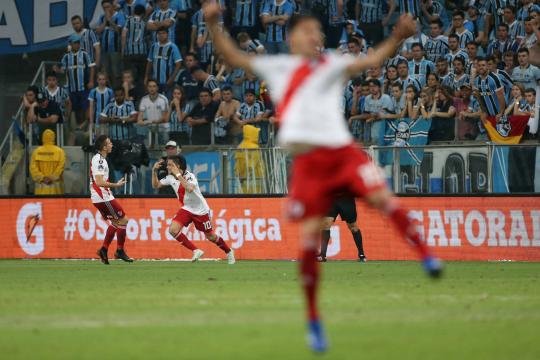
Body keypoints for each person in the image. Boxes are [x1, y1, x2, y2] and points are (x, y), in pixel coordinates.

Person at [205, 4, 442, 353]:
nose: (315, 36)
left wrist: (397, 36)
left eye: (318, 31)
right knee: (309, 239)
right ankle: (314, 320)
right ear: (292, 37)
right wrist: (212, 22)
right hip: (308, 163)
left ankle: (426, 255)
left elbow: (372, 59)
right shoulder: (279, 66)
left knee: (383, 199)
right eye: (307, 31)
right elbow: (232, 55)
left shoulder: (332, 62)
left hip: (343, 153)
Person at [151, 155, 236, 264]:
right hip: (187, 208)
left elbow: (190, 188)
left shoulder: (190, 176)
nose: (167, 167)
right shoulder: (170, 177)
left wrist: (178, 174)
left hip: (201, 210)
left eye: (170, 165)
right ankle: (196, 250)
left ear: (177, 166)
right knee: (173, 230)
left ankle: (229, 252)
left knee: (210, 236)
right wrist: (154, 171)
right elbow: (156, 185)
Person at [91, 135, 133, 264]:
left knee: (116, 222)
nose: (111, 145)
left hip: (102, 196)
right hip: (103, 196)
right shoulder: (99, 160)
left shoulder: (101, 159)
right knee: (123, 220)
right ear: (104, 147)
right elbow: (98, 182)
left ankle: (104, 249)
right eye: (109, 143)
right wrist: (116, 185)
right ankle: (119, 250)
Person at [54, 34, 95, 141]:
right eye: (74, 42)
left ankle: (87, 127)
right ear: (70, 44)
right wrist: (57, 70)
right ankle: (76, 128)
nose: (76, 44)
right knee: (75, 108)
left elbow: (91, 68)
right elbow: (63, 70)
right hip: (72, 88)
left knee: (86, 106)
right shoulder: (66, 57)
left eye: (78, 42)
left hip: (84, 87)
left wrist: (91, 80)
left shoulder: (85, 54)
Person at [318, 196, 366, 263]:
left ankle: (361, 255)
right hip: (331, 199)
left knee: (353, 227)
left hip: (346, 200)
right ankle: (322, 255)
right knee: (326, 224)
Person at [95, 0, 126, 85]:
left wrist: (110, 20)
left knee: (116, 72)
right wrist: (105, 22)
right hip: (104, 50)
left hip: (116, 49)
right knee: (106, 73)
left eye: (108, 7)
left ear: (112, 6)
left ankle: (118, 90)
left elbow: (119, 30)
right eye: (104, 7)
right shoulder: (102, 17)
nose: (106, 9)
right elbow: (98, 31)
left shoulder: (120, 15)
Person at [145, 27, 183, 94]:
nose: (161, 35)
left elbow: (178, 64)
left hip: (167, 82)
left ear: (167, 34)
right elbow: (149, 62)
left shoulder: (173, 47)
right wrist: (146, 77)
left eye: (163, 33)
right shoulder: (154, 46)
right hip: (155, 82)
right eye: (159, 33)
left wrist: (171, 79)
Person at [29, 129, 66, 195]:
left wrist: (42, 178)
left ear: (43, 138)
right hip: (56, 191)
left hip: (40, 191)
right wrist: (52, 177)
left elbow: (33, 168)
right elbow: (61, 167)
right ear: (54, 137)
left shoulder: (36, 152)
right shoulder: (60, 152)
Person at [122, 4, 148, 86]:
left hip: (130, 52)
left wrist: (123, 50)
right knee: (141, 76)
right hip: (142, 52)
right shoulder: (145, 22)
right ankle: (140, 94)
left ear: (134, 11)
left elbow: (123, 35)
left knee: (131, 76)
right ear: (143, 13)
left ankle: (131, 94)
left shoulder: (129, 20)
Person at [137, 79, 170, 144]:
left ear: (157, 88)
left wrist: (150, 121)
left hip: (163, 128)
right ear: (147, 88)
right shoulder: (144, 99)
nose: (152, 88)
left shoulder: (163, 99)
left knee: (164, 150)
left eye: (154, 86)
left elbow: (165, 118)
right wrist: (144, 122)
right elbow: (139, 120)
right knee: (151, 150)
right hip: (150, 129)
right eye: (150, 86)